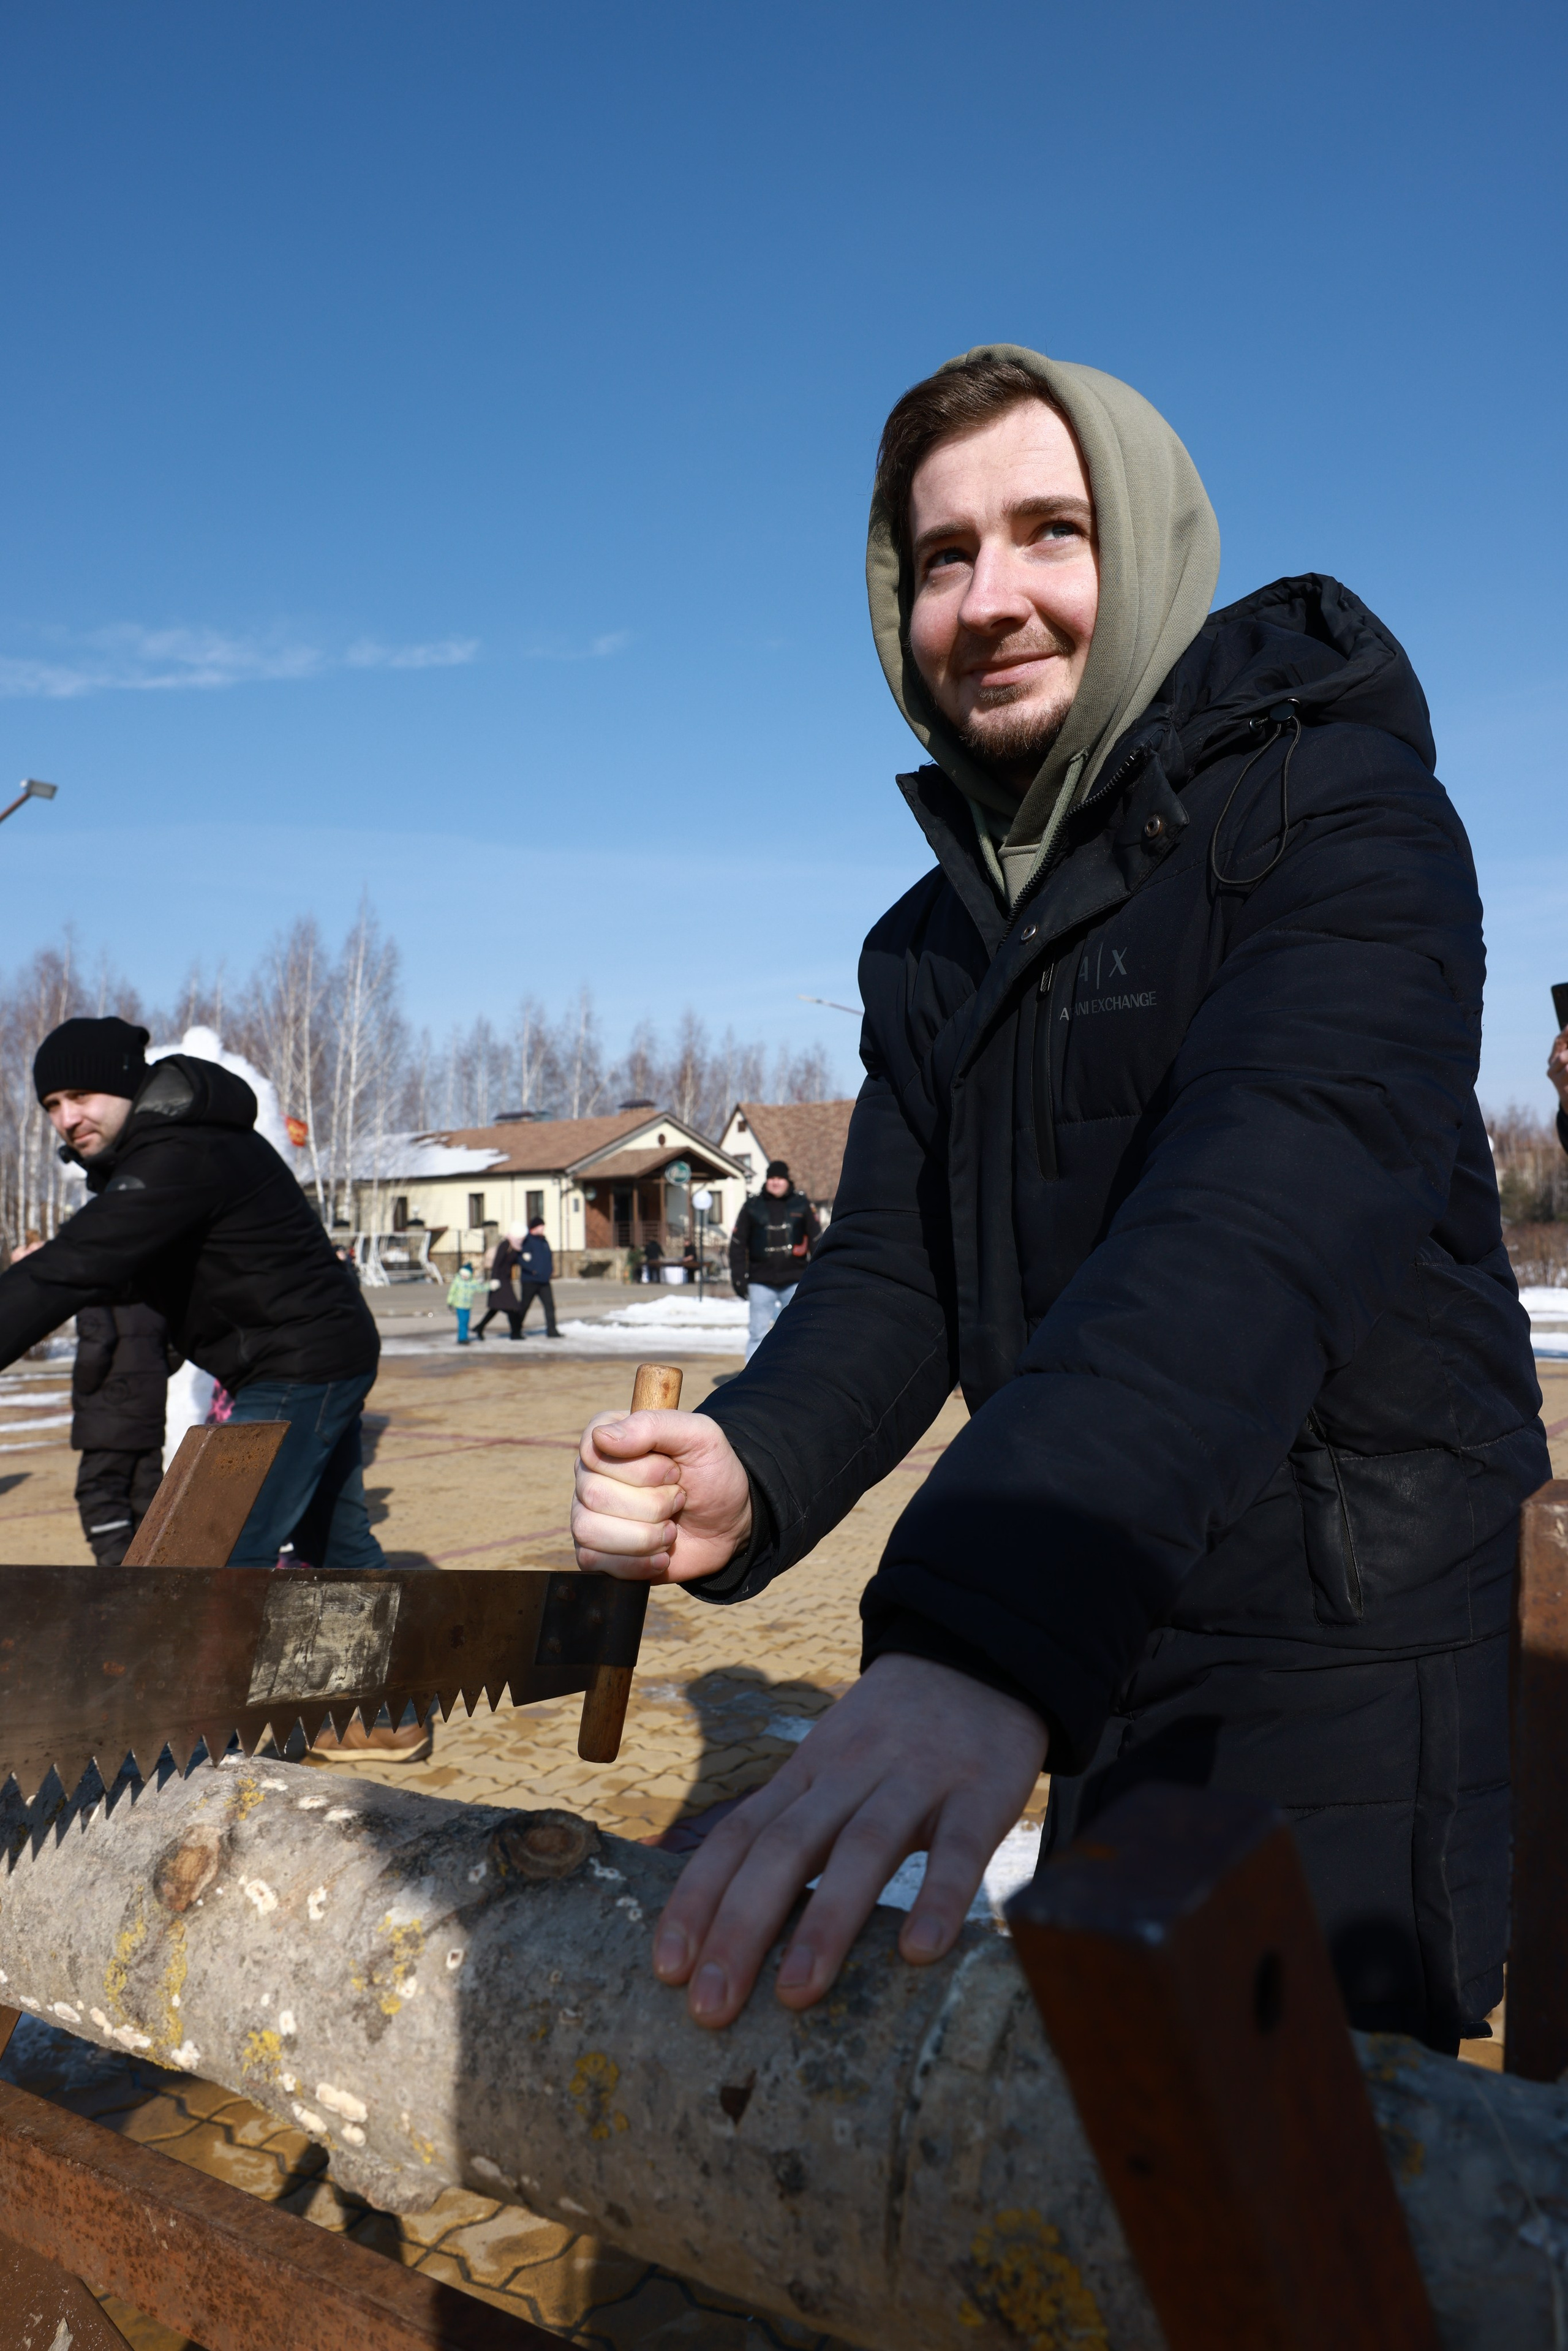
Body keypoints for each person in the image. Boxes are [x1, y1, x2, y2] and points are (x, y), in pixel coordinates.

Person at [571, 345, 1545, 2056]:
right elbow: (900, 1268)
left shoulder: (1339, 815)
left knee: (1302, 2118)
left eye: (1049, 532)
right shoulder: (928, 943)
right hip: (1096, 1600)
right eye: (942, 555)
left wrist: (981, 1630)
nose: (990, 600)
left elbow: (1258, 1214)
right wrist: (758, 1458)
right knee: (1118, 2089)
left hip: (1335, 1611)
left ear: (1149, 550)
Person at [0, 1017, 388, 1577]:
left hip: (298, 1366)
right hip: (310, 1356)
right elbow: (135, 1267)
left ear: (126, 1084)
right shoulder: (168, 1147)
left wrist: (52, 1267)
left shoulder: (181, 1150)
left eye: (81, 1096)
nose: (67, 1119)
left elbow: (81, 1264)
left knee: (208, 1553)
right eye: (53, 1105)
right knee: (337, 1547)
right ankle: (406, 1634)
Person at [70, 1301, 180, 1566]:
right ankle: (151, 1567)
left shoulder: (99, 1289)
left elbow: (96, 1345)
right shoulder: (156, 1292)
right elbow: (177, 1346)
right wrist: (150, 1377)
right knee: (147, 1492)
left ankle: (118, 1570)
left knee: (101, 1492)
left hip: (108, 1408)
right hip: (148, 1406)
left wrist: (84, 1387)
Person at [728, 1161, 820, 1361]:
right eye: (772, 1178)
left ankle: (794, 1372)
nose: (775, 1182)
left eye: (780, 1178)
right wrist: (738, 1276)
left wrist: (817, 1275)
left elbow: (816, 1241)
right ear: (767, 1180)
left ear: (787, 1181)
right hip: (760, 1281)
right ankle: (753, 1376)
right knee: (757, 1333)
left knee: (795, 1332)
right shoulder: (752, 1206)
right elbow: (737, 1244)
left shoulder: (802, 1204)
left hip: (795, 1280)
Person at [473, 1227, 527, 1340]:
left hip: (506, 1280)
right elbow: (497, 1263)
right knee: (513, 1307)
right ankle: (515, 1334)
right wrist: (494, 1279)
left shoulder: (516, 1246)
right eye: (522, 1236)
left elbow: (513, 1261)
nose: (523, 1239)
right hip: (500, 1281)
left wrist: (523, 1258)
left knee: (496, 1307)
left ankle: (480, 1327)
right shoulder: (506, 1244)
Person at [516, 1217, 562, 1337]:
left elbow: (548, 1258)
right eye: (541, 1226)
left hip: (544, 1280)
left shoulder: (544, 1241)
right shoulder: (527, 1241)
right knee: (524, 1306)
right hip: (530, 1280)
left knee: (550, 1306)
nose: (543, 1229)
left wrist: (550, 1270)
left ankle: (552, 1331)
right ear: (534, 1228)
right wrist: (533, 1270)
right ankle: (516, 1329)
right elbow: (521, 1259)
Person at [447, 1259, 484, 1344]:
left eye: (467, 1275)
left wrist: (490, 1286)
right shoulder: (457, 1281)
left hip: (468, 1306)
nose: (465, 1277)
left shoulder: (472, 1282)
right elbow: (452, 1292)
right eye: (463, 1275)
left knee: (466, 1321)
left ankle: (464, 1337)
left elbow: (480, 1289)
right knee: (462, 1322)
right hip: (459, 1305)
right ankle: (462, 1338)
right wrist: (450, 1302)